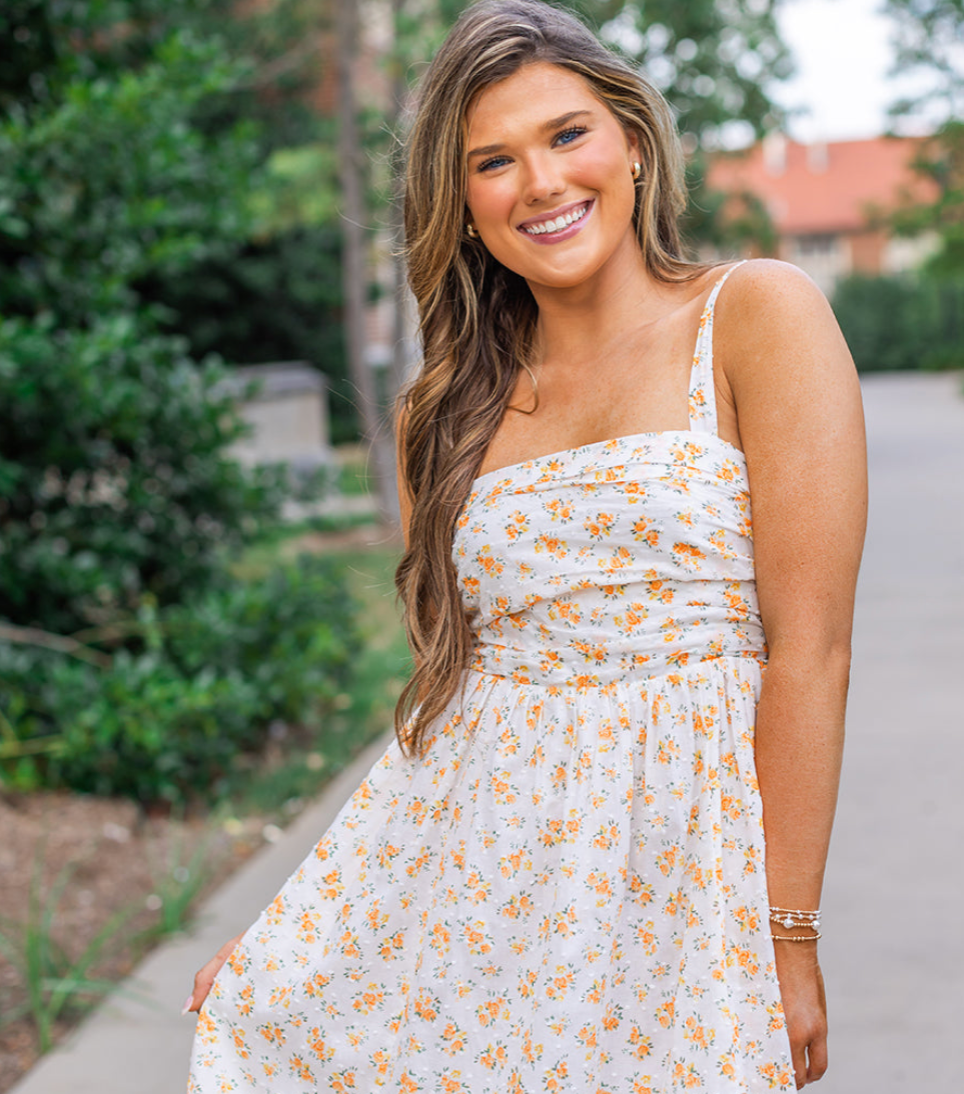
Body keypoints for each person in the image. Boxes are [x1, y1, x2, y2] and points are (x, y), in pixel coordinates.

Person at [185, 1, 867, 1090]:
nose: (540, 183)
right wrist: (304, 933)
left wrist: (787, 934)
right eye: (491, 162)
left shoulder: (754, 317)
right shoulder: (441, 414)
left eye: (565, 134)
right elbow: (446, 704)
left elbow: (812, 652)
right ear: (459, 209)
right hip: (494, 890)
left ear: (633, 145)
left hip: (688, 886)